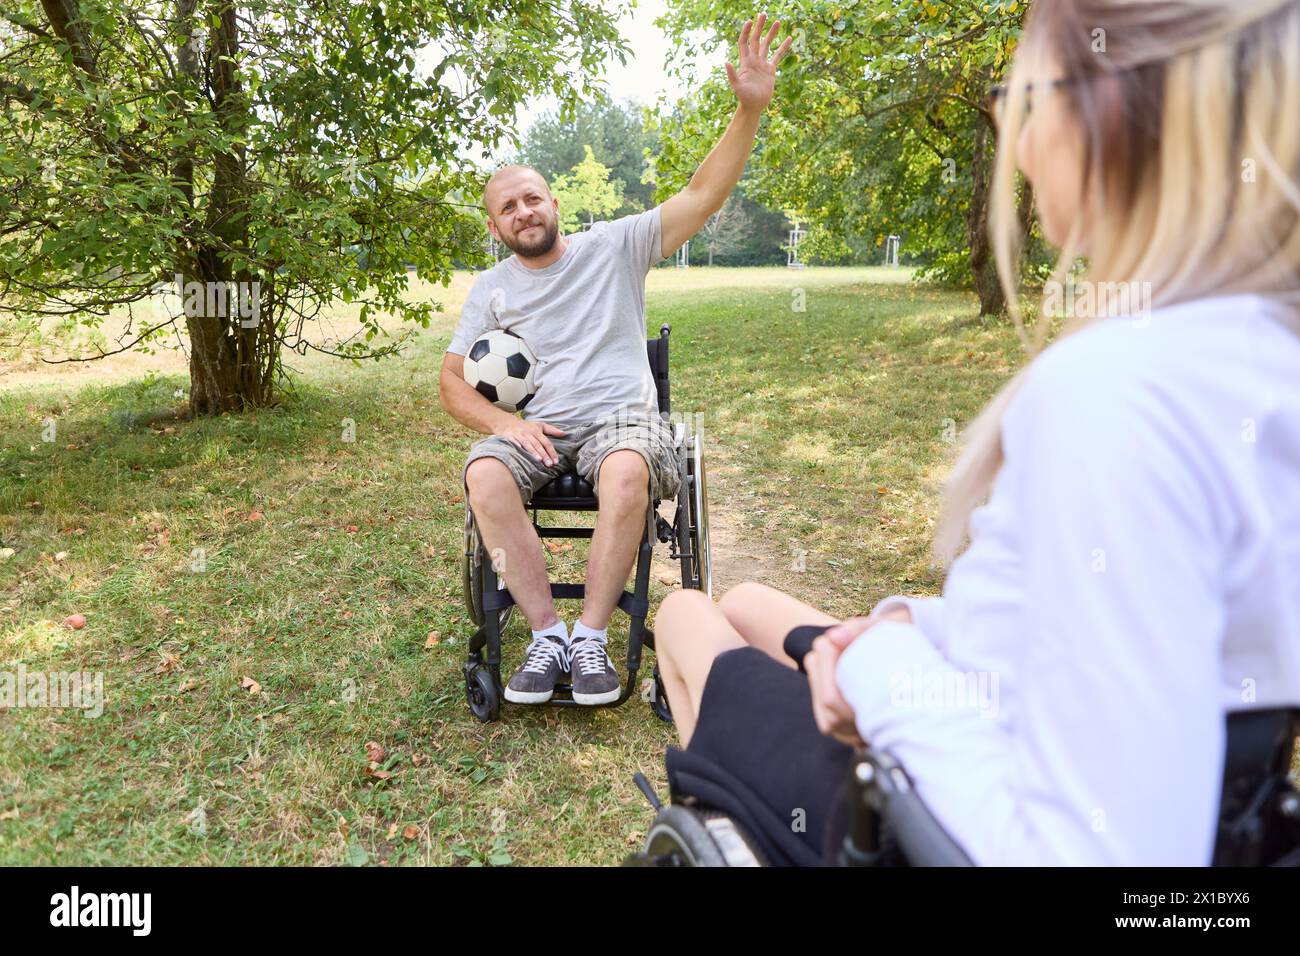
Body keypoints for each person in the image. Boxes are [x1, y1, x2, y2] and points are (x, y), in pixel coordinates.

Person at [652, 0, 1300, 865]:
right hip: (1174, 784)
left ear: (1104, 108)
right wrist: (895, 630)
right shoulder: (1261, 356)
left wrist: (877, 676)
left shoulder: (1119, 389)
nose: (1020, 142)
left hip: (926, 820)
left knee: (685, 615)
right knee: (743, 603)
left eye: (1022, 96)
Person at [441, 15, 795, 705]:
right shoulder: (491, 290)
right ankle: (546, 637)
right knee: (484, 473)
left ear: (555, 203)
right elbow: (452, 385)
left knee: (629, 469)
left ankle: (591, 640)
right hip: (540, 432)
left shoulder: (616, 247)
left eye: (532, 197)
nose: (523, 211)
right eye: (507, 207)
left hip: (620, 426)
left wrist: (748, 110)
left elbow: (701, 194)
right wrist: (505, 426)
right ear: (494, 227)